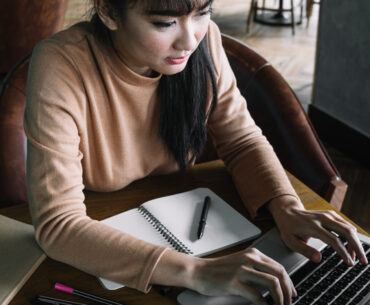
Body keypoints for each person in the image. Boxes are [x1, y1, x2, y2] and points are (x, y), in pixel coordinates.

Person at [24, 0, 367, 305]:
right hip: (100, 236)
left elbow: (242, 139)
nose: (190, 39)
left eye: (203, 13)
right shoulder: (61, 64)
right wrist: (196, 273)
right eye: (165, 22)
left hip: (191, 217)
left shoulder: (207, 41)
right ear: (109, 11)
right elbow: (58, 224)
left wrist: (287, 205)